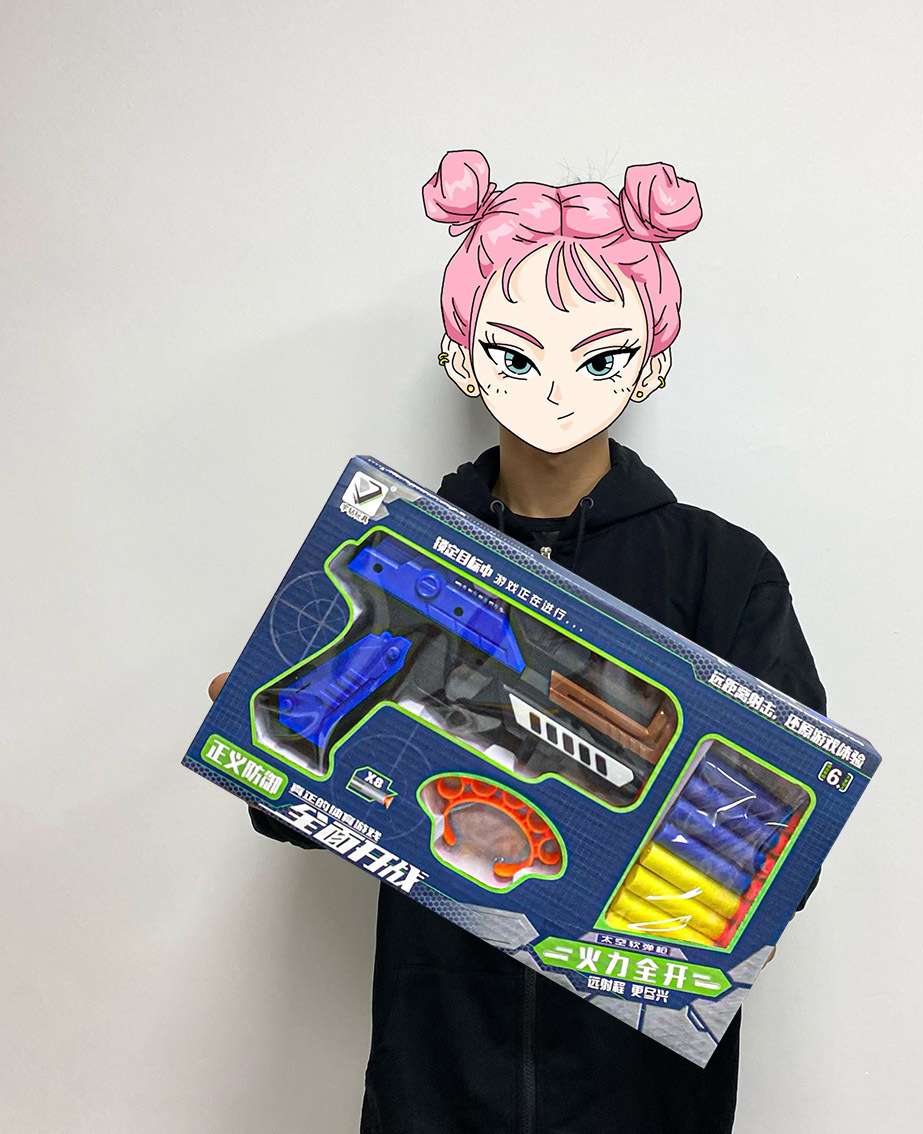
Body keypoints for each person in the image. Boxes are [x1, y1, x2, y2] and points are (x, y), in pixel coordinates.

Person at [209, 151, 825, 1133]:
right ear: (467, 356)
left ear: (648, 361)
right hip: (436, 1075)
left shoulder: (721, 572)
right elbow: (306, 799)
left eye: (598, 354)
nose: (556, 387)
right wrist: (266, 746)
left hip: (642, 1097)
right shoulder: (409, 542)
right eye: (518, 351)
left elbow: (781, 837)